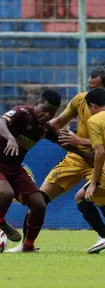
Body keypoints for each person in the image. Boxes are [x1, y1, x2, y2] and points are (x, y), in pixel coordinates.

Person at [0, 90, 93, 252]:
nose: (46, 115)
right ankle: (0, 221)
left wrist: (85, 155)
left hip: (14, 169)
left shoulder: (45, 128)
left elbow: (64, 143)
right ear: (37, 103)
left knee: (39, 204)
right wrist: (10, 138)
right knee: (6, 193)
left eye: (51, 113)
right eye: (44, 110)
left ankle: (28, 246)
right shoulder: (21, 113)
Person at [9, 66, 105, 252]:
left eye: (94, 88)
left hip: (99, 159)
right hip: (76, 157)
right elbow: (58, 122)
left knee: (95, 199)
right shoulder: (80, 101)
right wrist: (33, 130)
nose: (89, 93)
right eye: (88, 87)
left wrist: (78, 140)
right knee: (39, 198)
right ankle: (26, 245)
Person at [74, 88, 105, 254]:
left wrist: (93, 182)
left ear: (93, 106)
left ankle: (103, 235)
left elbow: (99, 152)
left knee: (81, 197)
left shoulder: (95, 121)